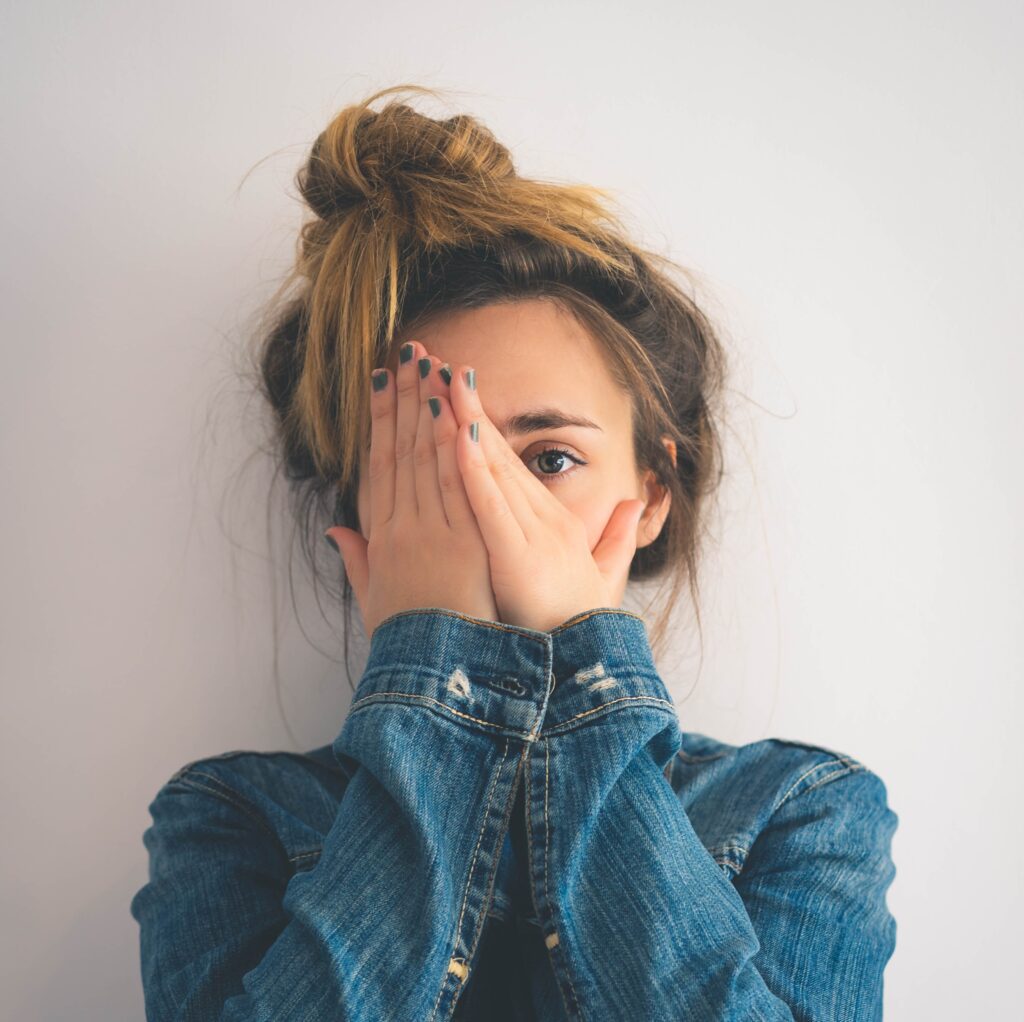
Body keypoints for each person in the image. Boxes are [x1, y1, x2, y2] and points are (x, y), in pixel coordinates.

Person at [130, 84, 898, 1021]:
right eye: (435, 471)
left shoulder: (801, 810)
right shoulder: (232, 818)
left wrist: (583, 654)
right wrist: (434, 670)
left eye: (550, 459)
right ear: (361, 515)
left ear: (652, 492)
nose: (494, 515)